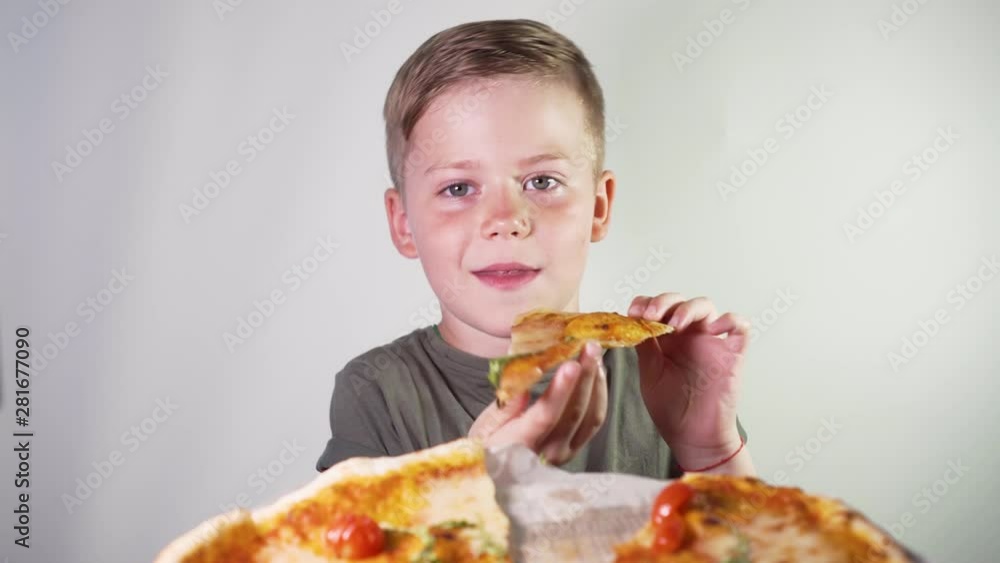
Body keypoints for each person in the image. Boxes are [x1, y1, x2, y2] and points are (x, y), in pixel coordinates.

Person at [316, 19, 755, 479]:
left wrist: (709, 448)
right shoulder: (377, 392)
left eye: (541, 181)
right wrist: (474, 480)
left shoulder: (666, 374)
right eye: (459, 188)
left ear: (599, 207)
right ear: (403, 223)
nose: (506, 219)